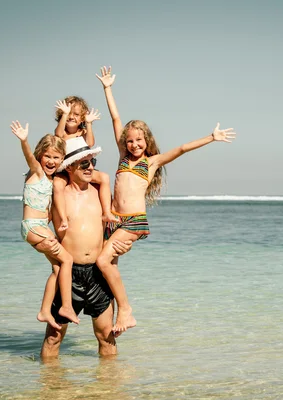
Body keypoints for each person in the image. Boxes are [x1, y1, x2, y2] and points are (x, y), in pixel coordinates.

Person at [94, 65, 237, 335]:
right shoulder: (123, 157)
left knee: (102, 262)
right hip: (114, 221)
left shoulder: (151, 163)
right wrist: (108, 88)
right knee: (108, 267)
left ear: (147, 141)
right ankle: (116, 317)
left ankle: (126, 310)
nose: (134, 144)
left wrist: (211, 137)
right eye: (130, 140)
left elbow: (181, 149)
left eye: (139, 140)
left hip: (133, 222)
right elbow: (115, 119)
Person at [40, 139, 133, 359]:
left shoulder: (99, 193)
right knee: (54, 337)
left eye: (93, 162)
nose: (91, 167)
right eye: (84, 164)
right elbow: (35, 224)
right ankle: (50, 389)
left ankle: (108, 389)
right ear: (69, 167)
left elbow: (116, 228)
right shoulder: (57, 196)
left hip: (98, 275)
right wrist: (46, 249)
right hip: (68, 274)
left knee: (106, 337)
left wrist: (123, 246)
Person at [10, 120, 80, 330]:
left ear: (62, 160)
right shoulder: (37, 173)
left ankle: (44, 311)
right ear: (40, 155)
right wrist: (24, 141)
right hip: (33, 226)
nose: (50, 161)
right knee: (67, 259)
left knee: (58, 268)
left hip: (39, 228)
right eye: (47, 156)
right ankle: (66, 306)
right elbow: (29, 157)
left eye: (56, 158)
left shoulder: (52, 182)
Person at [52, 96, 115, 230]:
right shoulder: (62, 132)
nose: (71, 116)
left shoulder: (83, 131)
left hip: (81, 167)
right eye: (69, 113)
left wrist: (89, 123)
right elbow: (57, 135)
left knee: (104, 178)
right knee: (57, 184)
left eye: (76, 114)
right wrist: (64, 114)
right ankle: (63, 218)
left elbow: (90, 143)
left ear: (81, 118)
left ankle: (107, 212)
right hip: (66, 169)